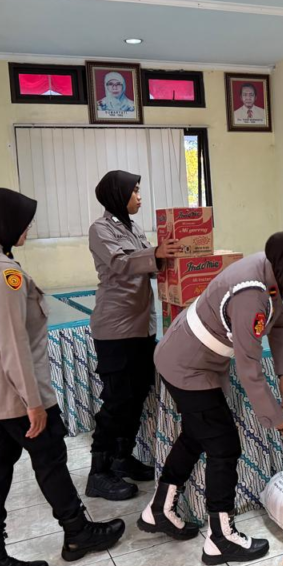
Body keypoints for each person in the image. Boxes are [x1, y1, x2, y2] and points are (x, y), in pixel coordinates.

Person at [0, 188, 126, 566]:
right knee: (49, 456)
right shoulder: (1, 273)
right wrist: (33, 402)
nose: (28, 228)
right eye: (24, 222)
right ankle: (77, 531)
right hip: (13, 391)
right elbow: (12, 344)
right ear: (5, 223)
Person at [139, 233, 283, 564]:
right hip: (186, 364)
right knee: (223, 445)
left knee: (197, 433)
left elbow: (279, 324)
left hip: (201, 360)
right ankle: (220, 537)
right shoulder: (251, 296)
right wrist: (282, 424)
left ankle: (159, 509)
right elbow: (249, 370)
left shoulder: (274, 275)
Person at [86, 170, 180, 500]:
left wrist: (174, 257)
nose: (140, 197)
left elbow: (149, 266)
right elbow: (121, 263)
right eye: (134, 191)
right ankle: (98, 473)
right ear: (117, 194)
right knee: (117, 400)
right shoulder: (100, 229)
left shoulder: (134, 228)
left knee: (137, 395)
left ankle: (122, 459)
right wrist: (155, 254)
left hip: (141, 326)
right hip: (116, 329)